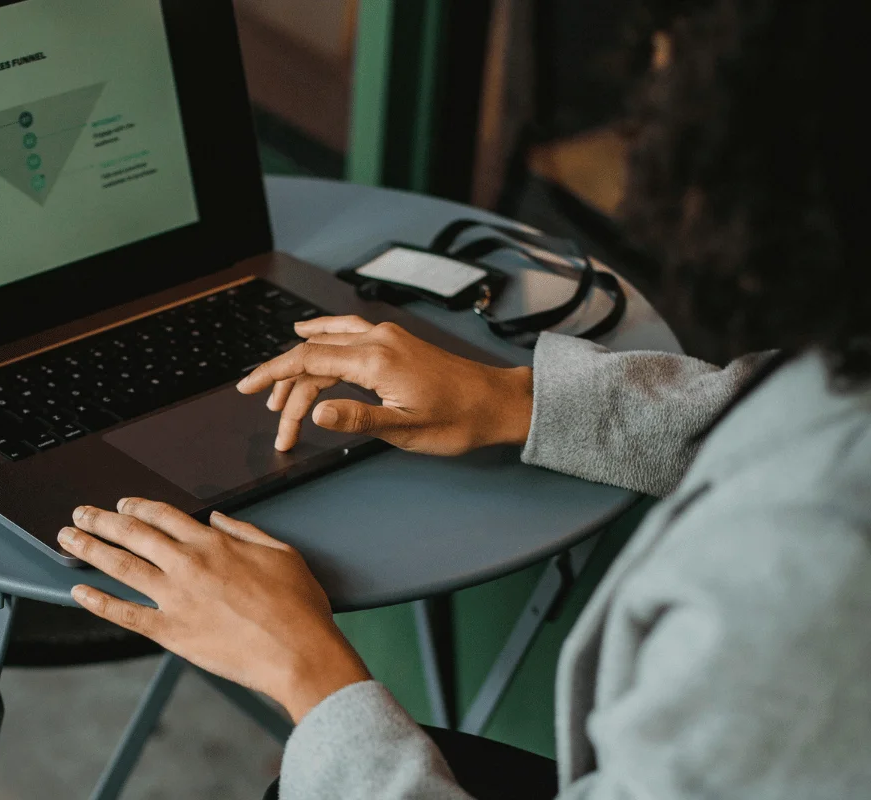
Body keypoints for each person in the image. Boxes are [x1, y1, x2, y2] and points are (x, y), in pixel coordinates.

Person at [57, 1, 871, 797]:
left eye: (679, 85)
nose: (640, 129)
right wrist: (517, 400)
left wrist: (306, 675)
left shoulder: (805, 569)